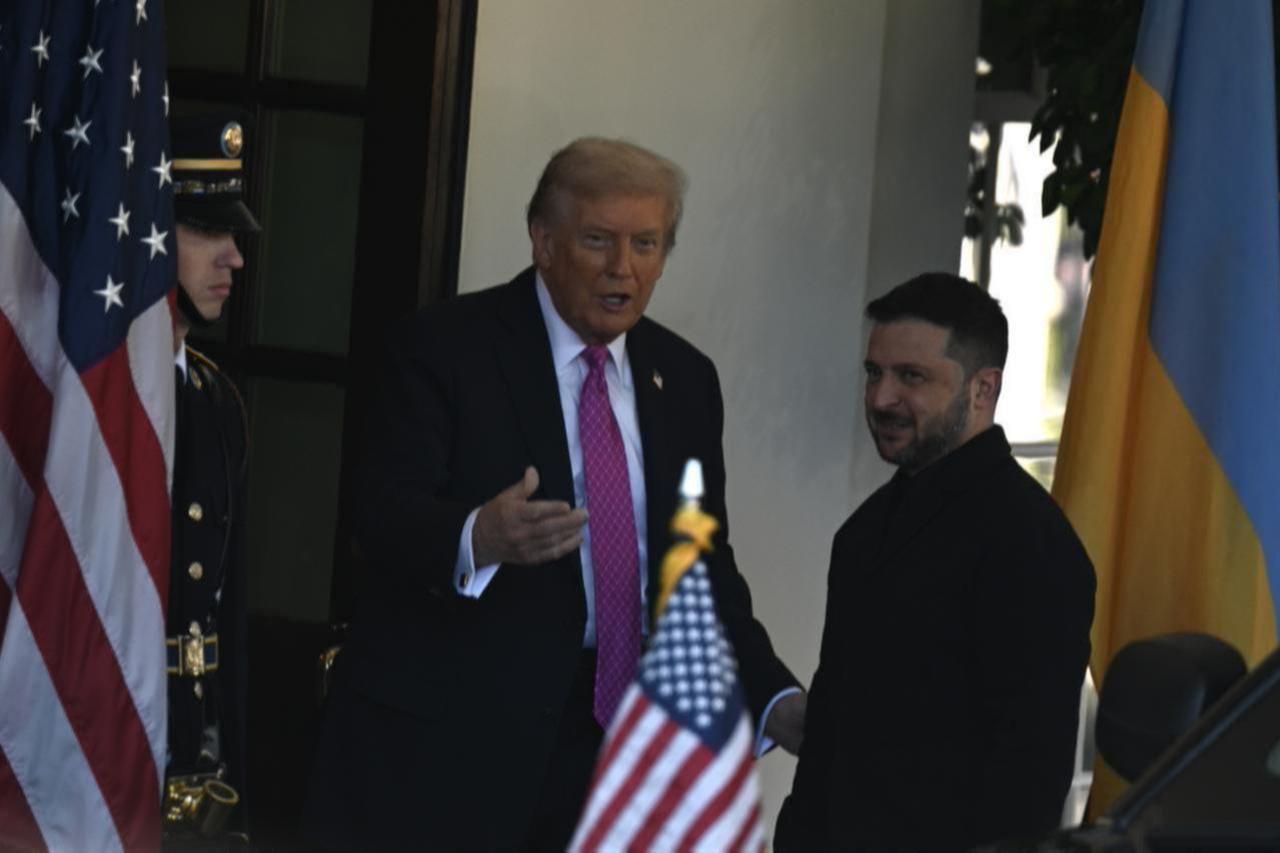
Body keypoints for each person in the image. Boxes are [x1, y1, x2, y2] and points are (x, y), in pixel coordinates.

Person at [304, 137, 803, 850]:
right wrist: (479, 534)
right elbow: (380, 520)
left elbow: (701, 567)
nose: (622, 268)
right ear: (543, 241)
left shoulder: (686, 379)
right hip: (460, 749)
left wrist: (775, 698)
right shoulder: (443, 348)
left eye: (647, 243)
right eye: (597, 240)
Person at [774, 273, 1096, 851]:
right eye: (875, 372)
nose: (880, 398)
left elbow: (1026, 785)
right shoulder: (863, 532)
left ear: (982, 390)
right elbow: (831, 744)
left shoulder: (1030, 543)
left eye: (911, 377)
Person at [164, 114, 259, 842]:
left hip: (188, 736)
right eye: (204, 230)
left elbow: (223, 601)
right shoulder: (79, 406)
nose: (233, 257)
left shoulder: (215, 396)